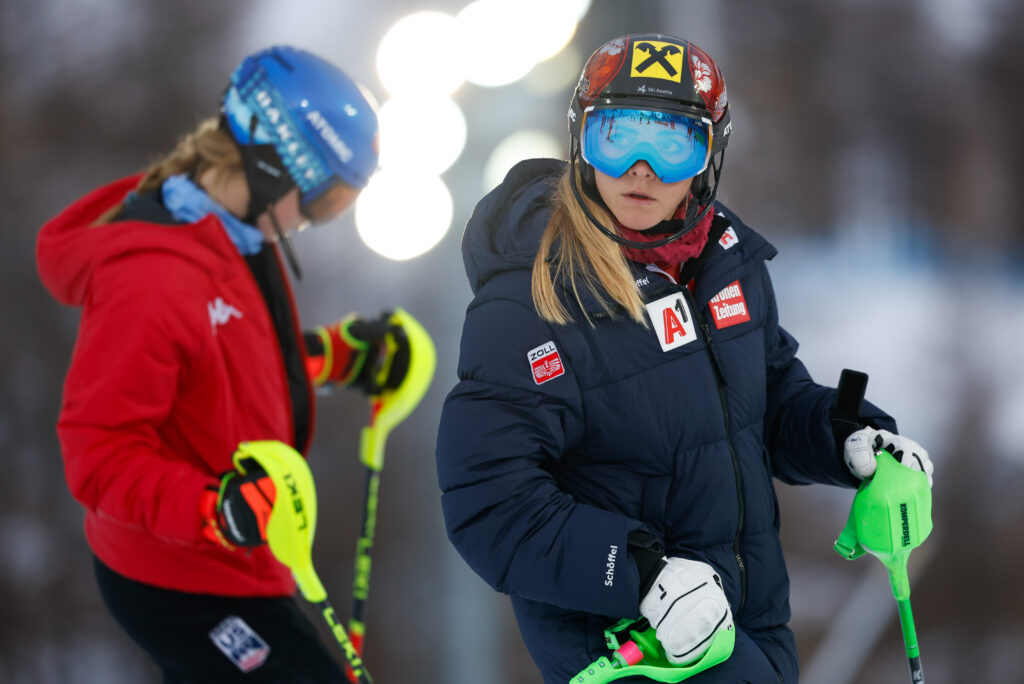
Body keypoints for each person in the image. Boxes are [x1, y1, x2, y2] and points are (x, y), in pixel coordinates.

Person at [436, 33, 934, 684]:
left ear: (709, 156)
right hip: (632, 642)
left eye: (673, 143)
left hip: (749, 618)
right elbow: (490, 500)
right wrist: (639, 574)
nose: (642, 168)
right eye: (616, 137)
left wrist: (848, 440)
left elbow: (769, 400)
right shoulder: (532, 299)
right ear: (579, 142)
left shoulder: (724, 266)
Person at [36, 45, 408, 682]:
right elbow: (97, 456)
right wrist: (216, 510)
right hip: (177, 577)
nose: (320, 220)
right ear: (272, 161)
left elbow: (228, 355)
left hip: (245, 560)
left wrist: (340, 356)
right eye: (325, 200)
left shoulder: (234, 233)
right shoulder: (151, 280)